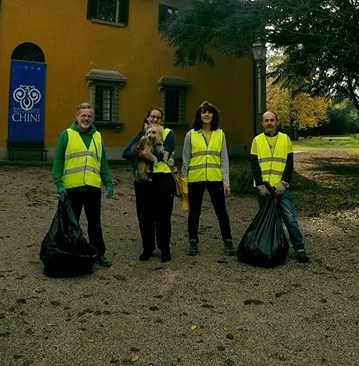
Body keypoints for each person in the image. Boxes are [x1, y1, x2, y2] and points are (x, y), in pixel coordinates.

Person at [50, 102, 114, 267]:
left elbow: (103, 162)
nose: (86, 118)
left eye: (89, 116)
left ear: (92, 118)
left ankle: (99, 253)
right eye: (83, 115)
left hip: (92, 188)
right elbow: (58, 161)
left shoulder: (98, 136)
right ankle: (70, 252)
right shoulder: (67, 135)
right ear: (77, 116)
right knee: (71, 223)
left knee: (95, 223)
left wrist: (108, 183)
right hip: (71, 188)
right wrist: (59, 183)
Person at [250, 109, 309, 263]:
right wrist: (260, 185)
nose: (269, 123)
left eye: (272, 120)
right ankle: (268, 247)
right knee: (266, 220)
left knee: (290, 218)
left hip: (281, 188)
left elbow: (289, 164)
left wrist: (284, 183)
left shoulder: (285, 139)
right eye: (266, 121)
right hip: (264, 189)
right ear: (262, 124)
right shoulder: (256, 140)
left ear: (276, 122)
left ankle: (299, 247)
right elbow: (254, 165)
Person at [122, 107, 176, 262]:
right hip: (143, 181)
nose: (155, 119)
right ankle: (148, 248)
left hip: (163, 180)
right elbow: (126, 152)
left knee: (163, 217)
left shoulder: (168, 133)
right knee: (144, 217)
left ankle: (164, 249)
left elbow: (166, 153)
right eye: (153, 116)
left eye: (158, 117)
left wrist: (146, 155)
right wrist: (141, 154)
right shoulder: (141, 134)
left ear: (162, 120)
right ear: (147, 118)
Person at [180, 101, 234, 256]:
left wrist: (226, 182)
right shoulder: (191, 134)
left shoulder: (220, 134)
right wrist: (184, 181)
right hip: (195, 178)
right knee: (194, 211)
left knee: (221, 210)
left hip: (215, 178)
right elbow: (186, 159)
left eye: (209, 112)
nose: (206, 114)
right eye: (203, 112)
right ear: (199, 115)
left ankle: (228, 240)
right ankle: (193, 242)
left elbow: (224, 159)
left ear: (213, 115)